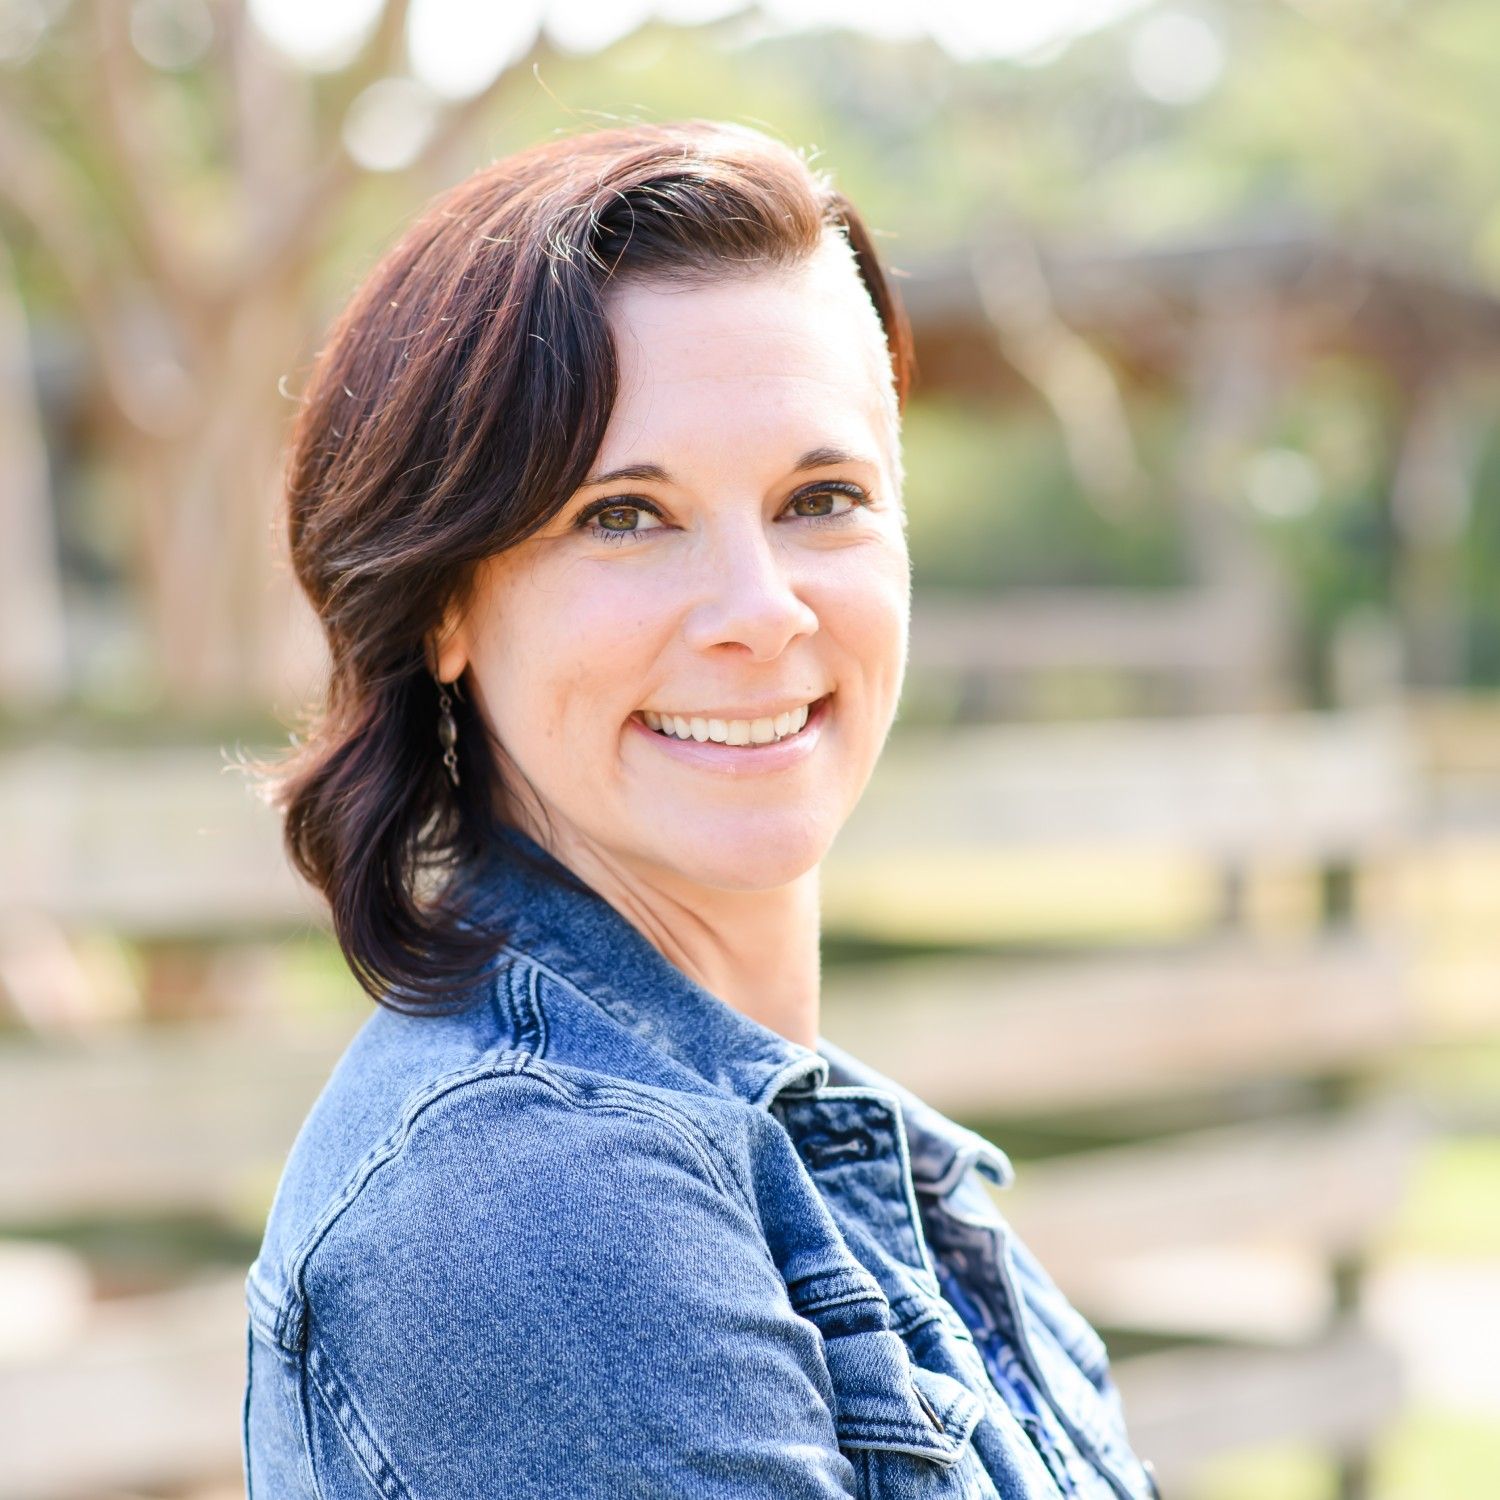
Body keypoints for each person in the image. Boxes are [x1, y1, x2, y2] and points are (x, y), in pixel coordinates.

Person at [241, 119, 1161, 1500]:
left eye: (823, 497)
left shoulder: (814, 1141)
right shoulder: (531, 1200)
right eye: (625, 514)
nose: (761, 611)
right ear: (443, 603)